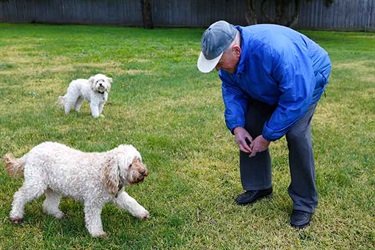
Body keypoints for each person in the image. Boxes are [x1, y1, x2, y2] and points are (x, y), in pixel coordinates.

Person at [197, 20, 331, 229]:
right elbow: (232, 90)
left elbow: (295, 97)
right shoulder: (230, 60)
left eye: (219, 63)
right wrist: (237, 126)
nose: (217, 69)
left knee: (296, 133)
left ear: (236, 50)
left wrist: (267, 136)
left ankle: (304, 203)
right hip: (271, 81)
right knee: (249, 123)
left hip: (308, 78)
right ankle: (259, 186)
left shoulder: (275, 50)